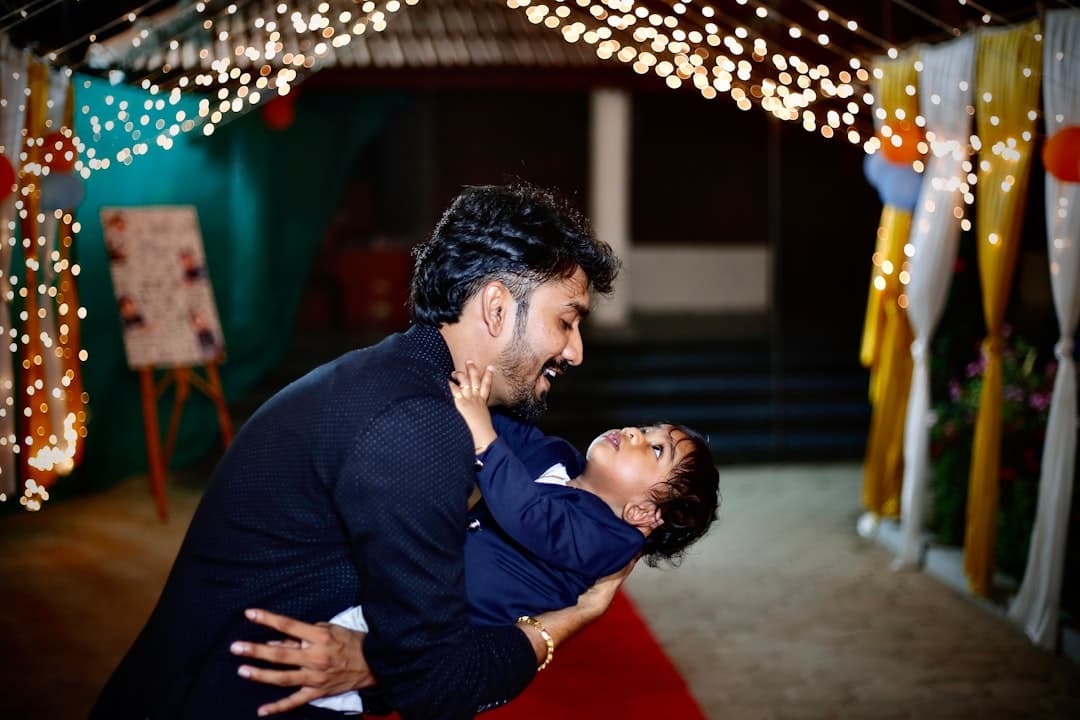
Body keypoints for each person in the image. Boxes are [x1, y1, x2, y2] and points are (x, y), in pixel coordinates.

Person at [90, 184, 623, 720]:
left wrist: (380, 659)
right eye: (566, 321)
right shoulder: (417, 425)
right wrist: (570, 619)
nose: (576, 351)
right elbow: (438, 687)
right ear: (497, 306)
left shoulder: (405, 380)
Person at [311, 362, 721, 714]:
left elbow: (530, 516)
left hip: (445, 626)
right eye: (647, 429)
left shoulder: (609, 542)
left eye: (655, 450)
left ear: (643, 513)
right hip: (414, 582)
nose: (634, 432)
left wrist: (484, 440)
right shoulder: (560, 458)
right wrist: (472, 393)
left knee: (321, 667)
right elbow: (509, 431)